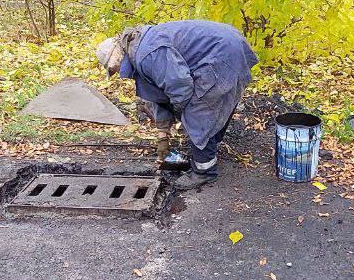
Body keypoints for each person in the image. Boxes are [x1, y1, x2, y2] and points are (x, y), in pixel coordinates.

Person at [97, 20, 259, 190]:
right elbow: (160, 95)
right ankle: (207, 148)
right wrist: (162, 137)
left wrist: (182, 114)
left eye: (112, 68)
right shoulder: (138, 46)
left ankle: (205, 171)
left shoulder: (145, 54)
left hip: (222, 53)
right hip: (228, 43)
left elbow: (180, 86)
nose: (115, 72)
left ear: (115, 55)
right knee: (207, 107)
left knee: (198, 111)